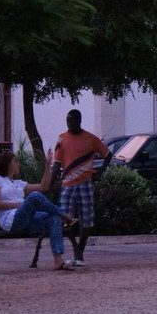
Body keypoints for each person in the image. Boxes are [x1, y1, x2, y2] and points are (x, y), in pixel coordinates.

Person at [0, 148, 76, 270]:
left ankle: (58, 260)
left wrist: (48, 166)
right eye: (16, 161)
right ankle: (64, 215)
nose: (19, 164)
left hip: (27, 219)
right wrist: (18, 205)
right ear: (7, 164)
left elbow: (43, 187)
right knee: (34, 196)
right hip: (11, 220)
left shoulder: (18, 183)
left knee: (53, 217)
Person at [53, 109, 110, 267]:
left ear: (79, 121)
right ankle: (76, 250)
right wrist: (50, 182)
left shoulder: (90, 139)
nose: (69, 124)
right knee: (65, 219)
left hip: (85, 183)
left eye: (72, 121)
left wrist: (100, 172)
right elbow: (57, 163)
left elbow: (108, 155)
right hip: (68, 184)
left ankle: (80, 254)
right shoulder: (62, 139)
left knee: (86, 220)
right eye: (67, 121)